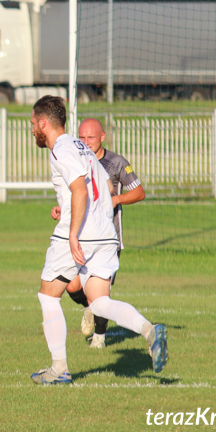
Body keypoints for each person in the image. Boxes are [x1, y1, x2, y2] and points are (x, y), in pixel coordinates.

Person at [29, 95, 167, 385]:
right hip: (105, 231)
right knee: (100, 302)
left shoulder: (61, 149)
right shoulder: (82, 147)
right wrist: (97, 218)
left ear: (44, 123)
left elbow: (80, 190)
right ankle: (149, 330)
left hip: (82, 233)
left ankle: (59, 369)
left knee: (47, 294)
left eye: (33, 124)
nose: (32, 130)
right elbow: (103, 185)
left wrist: (73, 232)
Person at [61, 118, 146, 348]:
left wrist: (114, 199)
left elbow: (138, 192)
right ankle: (89, 308)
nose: (86, 142)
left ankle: (99, 337)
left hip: (108, 237)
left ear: (102, 137)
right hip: (81, 236)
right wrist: (62, 209)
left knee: (101, 294)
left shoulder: (116, 162)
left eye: (91, 137)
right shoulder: (76, 160)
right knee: (72, 286)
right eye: (82, 138)